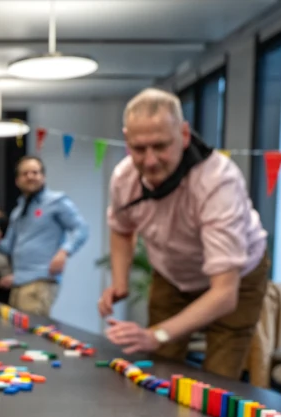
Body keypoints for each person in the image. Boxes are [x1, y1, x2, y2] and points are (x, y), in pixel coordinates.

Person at [101, 88, 268, 379]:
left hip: (236, 278)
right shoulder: (123, 178)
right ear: (127, 140)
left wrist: (158, 334)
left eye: (160, 146)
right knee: (160, 368)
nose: (150, 161)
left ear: (185, 135)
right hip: (172, 272)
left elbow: (224, 294)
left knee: (218, 379)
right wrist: (119, 281)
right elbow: (121, 228)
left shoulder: (217, 182)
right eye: (139, 149)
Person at [0, 156, 89, 316]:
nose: (30, 176)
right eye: (25, 173)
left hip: (40, 281)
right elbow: (9, 247)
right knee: (18, 335)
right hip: (18, 282)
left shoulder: (56, 201)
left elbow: (81, 228)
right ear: (17, 180)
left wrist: (64, 251)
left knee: (29, 335)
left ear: (43, 177)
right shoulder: (18, 211)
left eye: (35, 172)